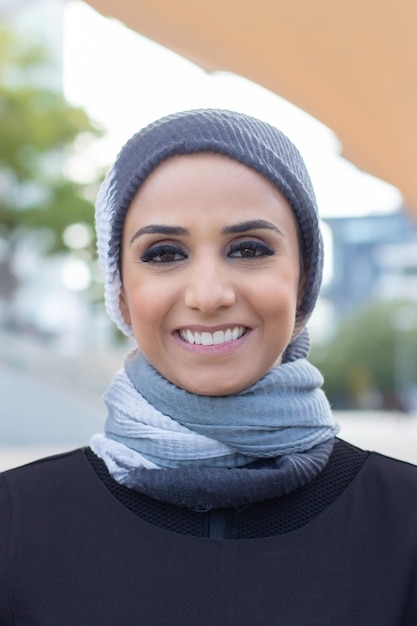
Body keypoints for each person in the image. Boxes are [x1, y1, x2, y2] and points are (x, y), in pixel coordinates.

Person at [0, 109, 416, 625]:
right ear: (121, 295)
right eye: (164, 253)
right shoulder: (15, 524)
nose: (209, 295)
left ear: (304, 277)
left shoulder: (406, 523)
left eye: (248, 248)